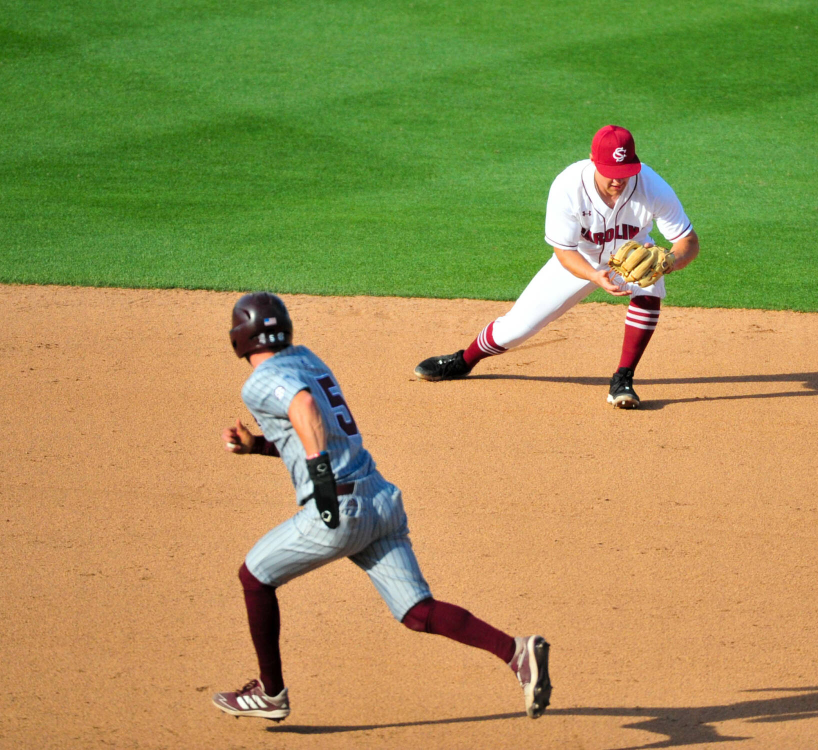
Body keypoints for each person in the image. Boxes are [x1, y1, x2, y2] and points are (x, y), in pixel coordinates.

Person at [212, 292, 551, 722]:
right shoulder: (308, 359)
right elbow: (314, 429)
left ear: (239, 338)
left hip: (339, 508)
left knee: (254, 576)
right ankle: (516, 653)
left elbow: (303, 408)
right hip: (379, 499)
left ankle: (271, 693)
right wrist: (258, 445)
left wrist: (319, 480)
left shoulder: (259, 381)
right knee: (416, 611)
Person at [414, 124, 700, 408]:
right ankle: (463, 361)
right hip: (580, 260)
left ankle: (623, 379)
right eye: (610, 173)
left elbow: (688, 241)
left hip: (630, 257)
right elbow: (563, 251)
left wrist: (669, 263)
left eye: (624, 173)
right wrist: (594, 275)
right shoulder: (568, 186)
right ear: (592, 160)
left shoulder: (652, 186)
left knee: (649, 282)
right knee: (515, 329)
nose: (618, 181)